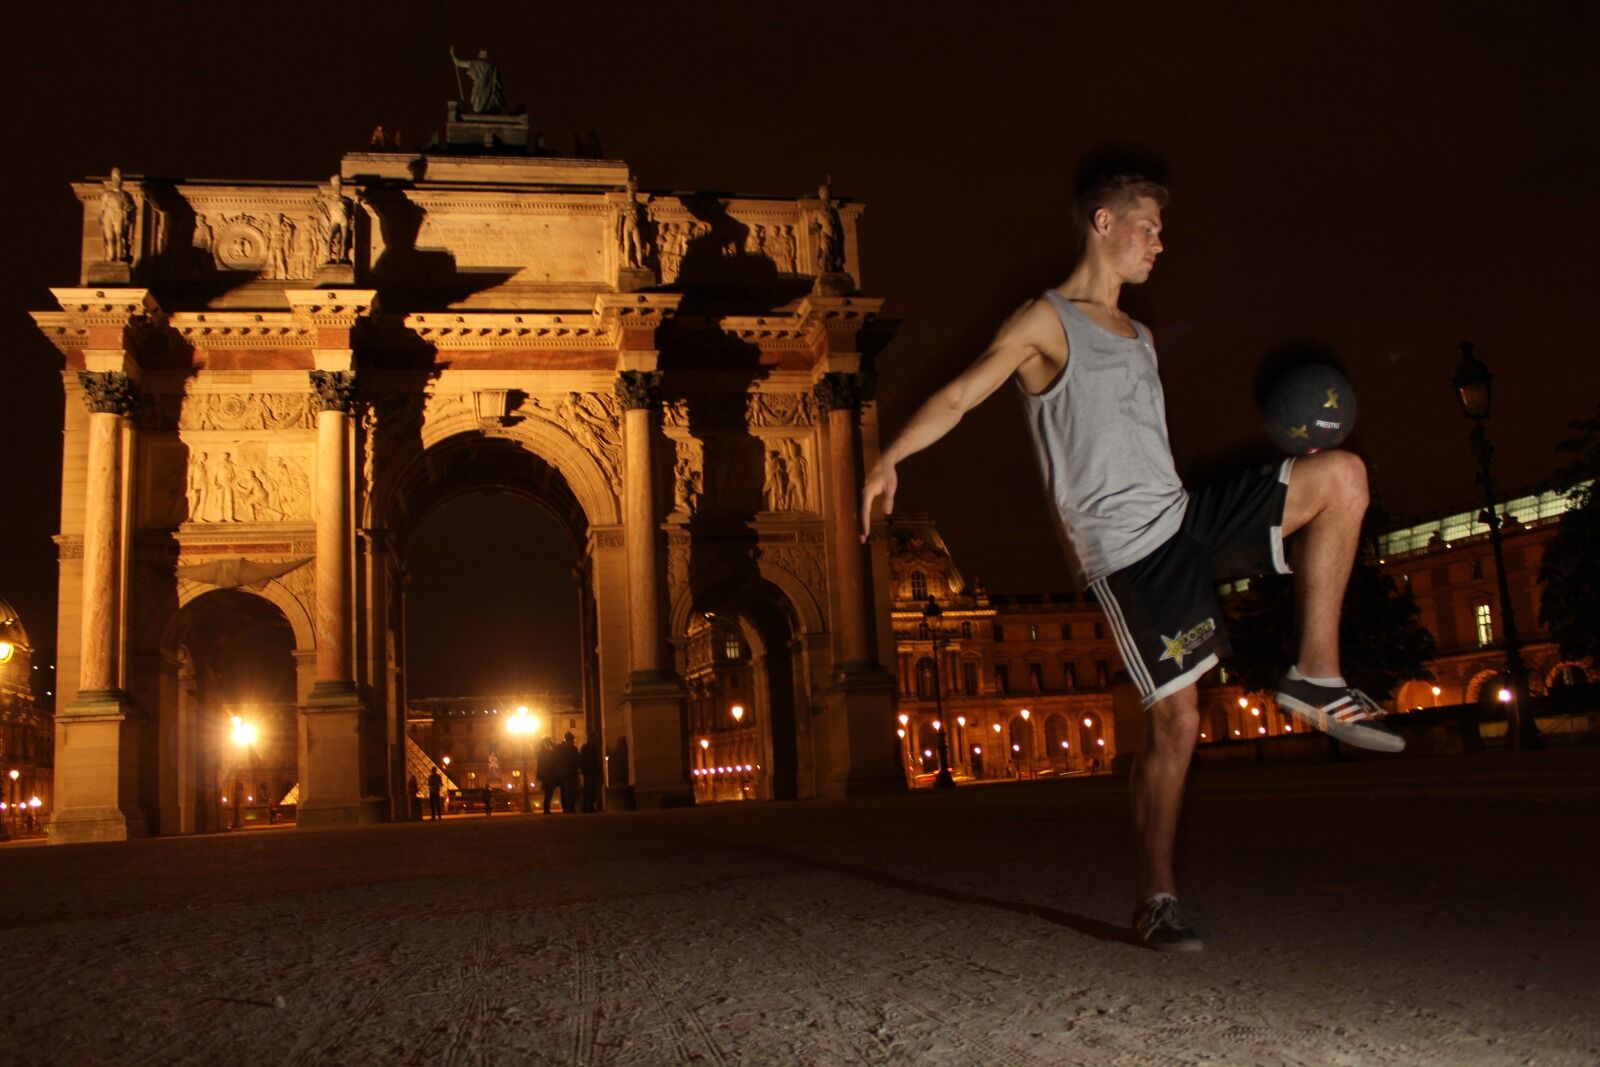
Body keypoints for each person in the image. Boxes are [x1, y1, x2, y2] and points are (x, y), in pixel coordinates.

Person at [859, 166, 1402, 953]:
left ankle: (1315, 672)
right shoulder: (1045, 321)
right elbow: (963, 392)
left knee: (1343, 477)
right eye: (1148, 226)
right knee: (1177, 723)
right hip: (1129, 554)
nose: (1159, 243)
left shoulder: (1141, 335)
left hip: (1184, 516)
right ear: (1104, 224)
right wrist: (890, 456)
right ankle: (1156, 894)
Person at [557, 732, 582, 815]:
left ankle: (569, 807)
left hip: (568, 773)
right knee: (568, 791)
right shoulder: (571, 749)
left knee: (569, 791)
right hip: (568, 773)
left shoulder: (562, 749)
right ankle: (568, 807)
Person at [579, 735, 603, 813]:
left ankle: (588, 806)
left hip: (590, 771)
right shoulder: (590, 748)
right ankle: (588, 807)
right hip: (590, 771)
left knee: (590, 790)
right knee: (590, 790)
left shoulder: (588, 748)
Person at [536, 737, 558, 814]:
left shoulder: (543, 752)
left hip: (547, 775)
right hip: (547, 775)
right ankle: (546, 808)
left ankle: (546, 808)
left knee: (549, 792)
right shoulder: (544, 752)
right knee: (548, 792)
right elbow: (541, 765)